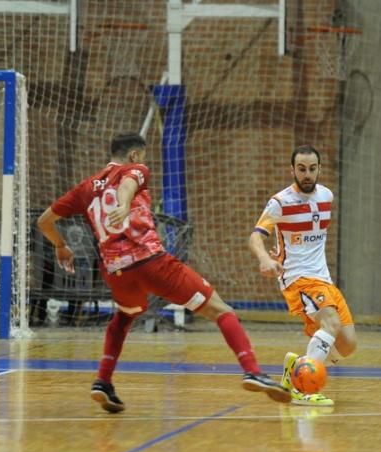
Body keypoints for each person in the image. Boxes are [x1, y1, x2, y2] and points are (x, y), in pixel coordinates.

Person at [37, 132, 290, 413]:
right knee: (221, 310)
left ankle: (103, 381)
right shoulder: (136, 169)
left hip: (115, 271)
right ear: (135, 155)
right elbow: (129, 183)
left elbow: (44, 221)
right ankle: (252, 370)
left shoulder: (85, 187)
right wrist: (123, 205)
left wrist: (61, 245)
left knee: (125, 315)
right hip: (151, 262)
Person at [248, 146, 358, 407]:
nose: (307, 174)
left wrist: (286, 245)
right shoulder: (280, 202)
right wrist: (265, 258)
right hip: (296, 278)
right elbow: (255, 237)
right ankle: (303, 389)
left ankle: (295, 367)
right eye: (301, 169)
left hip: (323, 278)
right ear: (292, 170)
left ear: (319, 169)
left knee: (348, 345)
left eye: (311, 168)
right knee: (330, 323)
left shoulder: (326, 196)